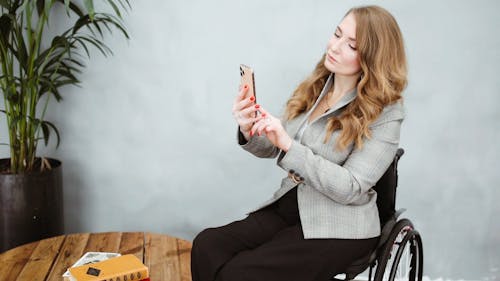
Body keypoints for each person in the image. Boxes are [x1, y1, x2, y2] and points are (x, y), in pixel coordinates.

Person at [191, 5, 407, 281]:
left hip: (340, 225)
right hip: (293, 205)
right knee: (208, 245)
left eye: (351, 45)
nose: (335, 46)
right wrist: (250, 129)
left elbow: (352, 187)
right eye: (337, 34)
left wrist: (289, 146)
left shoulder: (387, 113)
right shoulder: (319, 85)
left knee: (239, 274)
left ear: (373, 58)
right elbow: (275, 145)